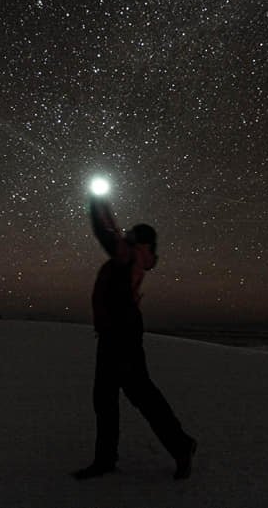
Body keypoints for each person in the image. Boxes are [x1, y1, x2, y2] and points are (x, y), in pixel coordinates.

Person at [72, 192, 197, 481]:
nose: (125, 236)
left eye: (130, 235)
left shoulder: (127, 254)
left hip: (119, 335)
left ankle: (181, 446)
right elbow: (112, 231)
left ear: (138, 242)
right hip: (119, 332)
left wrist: (96, 202)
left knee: (135, 396)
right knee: (114, 398)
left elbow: (106, 231)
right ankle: (107, 459)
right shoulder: (134, 257)